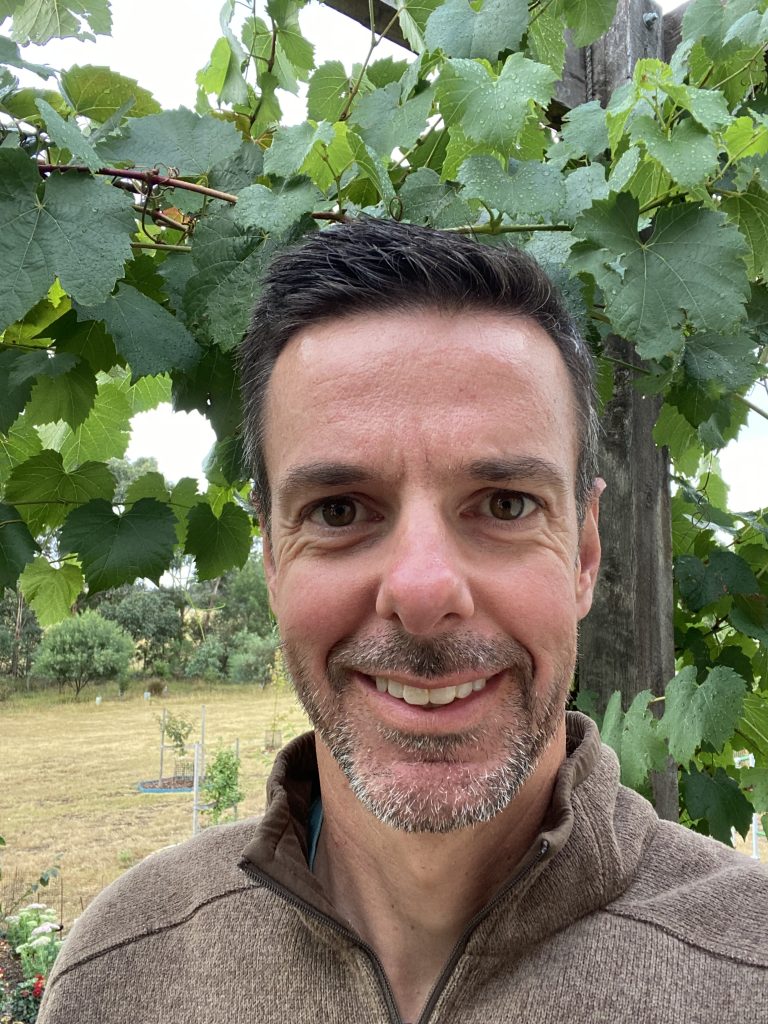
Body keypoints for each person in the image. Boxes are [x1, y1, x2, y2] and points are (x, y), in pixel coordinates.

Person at [38, 221, 767, 1024]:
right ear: (274, 559)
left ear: (584, 554)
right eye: (340, 510)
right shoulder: (122, 973)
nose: (422, 592)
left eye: (505, 505)